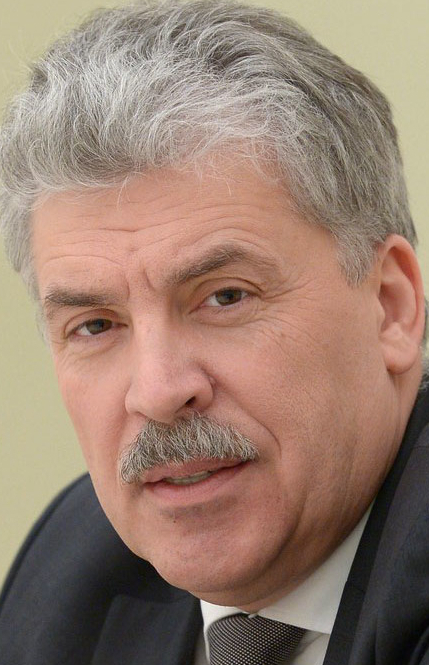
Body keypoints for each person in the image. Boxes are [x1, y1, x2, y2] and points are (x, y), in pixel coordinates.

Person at [0, 1, 428, 663]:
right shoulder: (70, 574)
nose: (158, 390)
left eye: (224, 297)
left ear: (390, 306)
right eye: (95, 325)